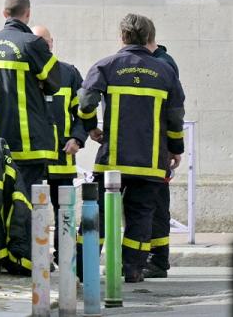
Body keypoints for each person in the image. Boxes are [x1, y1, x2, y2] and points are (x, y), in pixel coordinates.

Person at [76, 14, 186, 283]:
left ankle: (83, 268)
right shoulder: (165, 72)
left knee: (98, 214)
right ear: (150, 39)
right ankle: (133, 270)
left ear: (122, 37)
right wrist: (175, 148)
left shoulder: (107, 66)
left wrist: (90, 126)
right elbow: (175, 117)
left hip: (113, 159)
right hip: (149, 163)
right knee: (140, 218)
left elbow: (85, 101)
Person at [0, 0, 61, 195]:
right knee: (24, 202)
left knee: (3, 197)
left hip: (0, 136)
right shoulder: (33, 43)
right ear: (28, 13)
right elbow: (54, 83)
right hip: (30, 141)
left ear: (4, 13)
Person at [32, 25, 86, 256]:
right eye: (37, 42)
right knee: (29, 208)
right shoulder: (23, 73)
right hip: (31, 156)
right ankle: (33, 256)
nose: (42, 46)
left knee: (64, 209)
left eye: (45, 41)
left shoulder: (69, 73)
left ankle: (63, 255)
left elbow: (84, 112)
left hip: (62, 156)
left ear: (52, 43)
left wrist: (78, 138)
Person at [144, 22, 181, 279]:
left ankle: (158, 260)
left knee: (156, 205)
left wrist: (173, 147)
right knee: (148, 206)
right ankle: (151, 258)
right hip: (149, 147)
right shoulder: (156, 62)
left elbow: (173, 110)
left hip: (156, 148)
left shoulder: (163, 64)